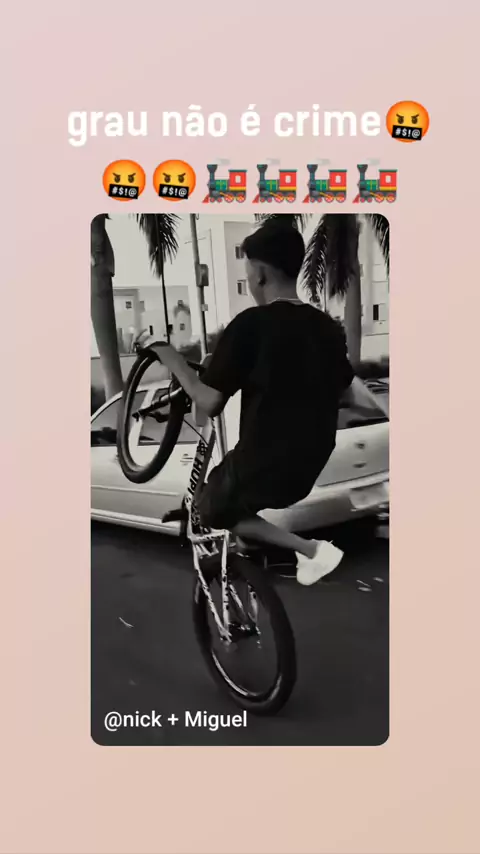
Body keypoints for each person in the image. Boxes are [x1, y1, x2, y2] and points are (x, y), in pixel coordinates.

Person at [147, 221, 355, 585]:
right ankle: (250, 545)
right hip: (309, 466)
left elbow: (209, 402)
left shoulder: (250, 325)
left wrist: (171, 359)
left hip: (263, 462)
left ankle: (311, 550)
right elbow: (346, 393)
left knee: (208, 508)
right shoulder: (326, 327)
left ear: (259, 275)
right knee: (231, 500)